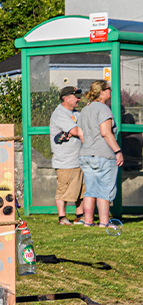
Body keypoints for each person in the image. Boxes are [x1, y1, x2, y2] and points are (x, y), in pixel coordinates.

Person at [76, 81, 124, 228]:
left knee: (90, 190)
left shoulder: (85, 110)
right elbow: (106, 132)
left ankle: (88, 221)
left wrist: (89, 147)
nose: (111, 91)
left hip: (85, 154)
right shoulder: (104, 109)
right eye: (109, 89)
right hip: (103, 154)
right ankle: (104, 222)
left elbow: (81, 134)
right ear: (101, 92)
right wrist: (118, 151)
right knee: (104, 189)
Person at [48, 85, 84, 224]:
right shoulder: (60, 114)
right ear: (66, 98)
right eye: (76, 97)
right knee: (63, 190)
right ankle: (62, 217)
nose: (79, 99)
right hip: (66, 161)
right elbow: (75, 131)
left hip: (79, 159)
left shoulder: (75, 113)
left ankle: (79, 216)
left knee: (81, 189)